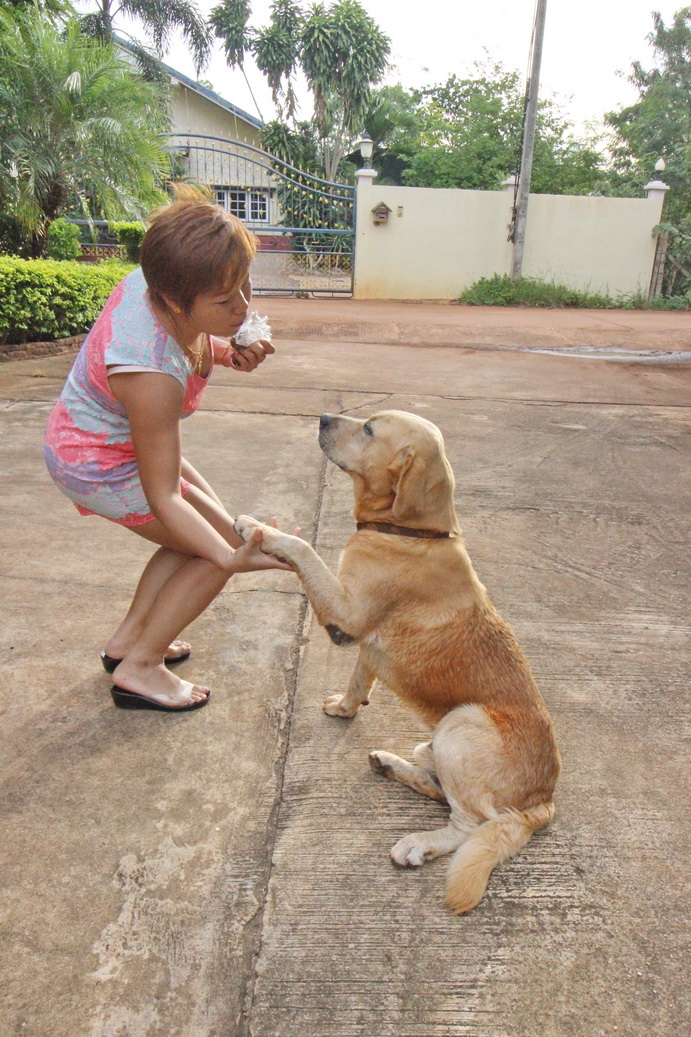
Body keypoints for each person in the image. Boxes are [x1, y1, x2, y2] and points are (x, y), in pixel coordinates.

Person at [44, 185, 289, 712]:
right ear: (178, 299)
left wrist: (226, 353)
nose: (243, 306)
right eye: (225, 300)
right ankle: (141, 667)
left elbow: (188, 341)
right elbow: (165, 498)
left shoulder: (157, 278)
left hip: (108, 439)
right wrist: (230, 558)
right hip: (97, 461)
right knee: (216, 551)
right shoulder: (151, 375)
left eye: (244, 285)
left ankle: (128, 641)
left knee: (206, 537)